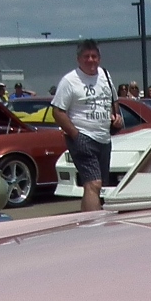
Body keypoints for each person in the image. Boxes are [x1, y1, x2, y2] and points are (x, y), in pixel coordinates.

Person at [52, 39, 115, 212]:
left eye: (94, 56)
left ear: (99, 58)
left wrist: (116, 118)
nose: (91, 60)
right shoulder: (70, 81)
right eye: (86, 56)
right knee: (93, 183)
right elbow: (57, 111)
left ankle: (88, 219)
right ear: (79, 59)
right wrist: (75, 135)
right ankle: (94, 226)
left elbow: (112, 101)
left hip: (103, 138)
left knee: (97, 186)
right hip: (83, 137)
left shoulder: (105, 76)